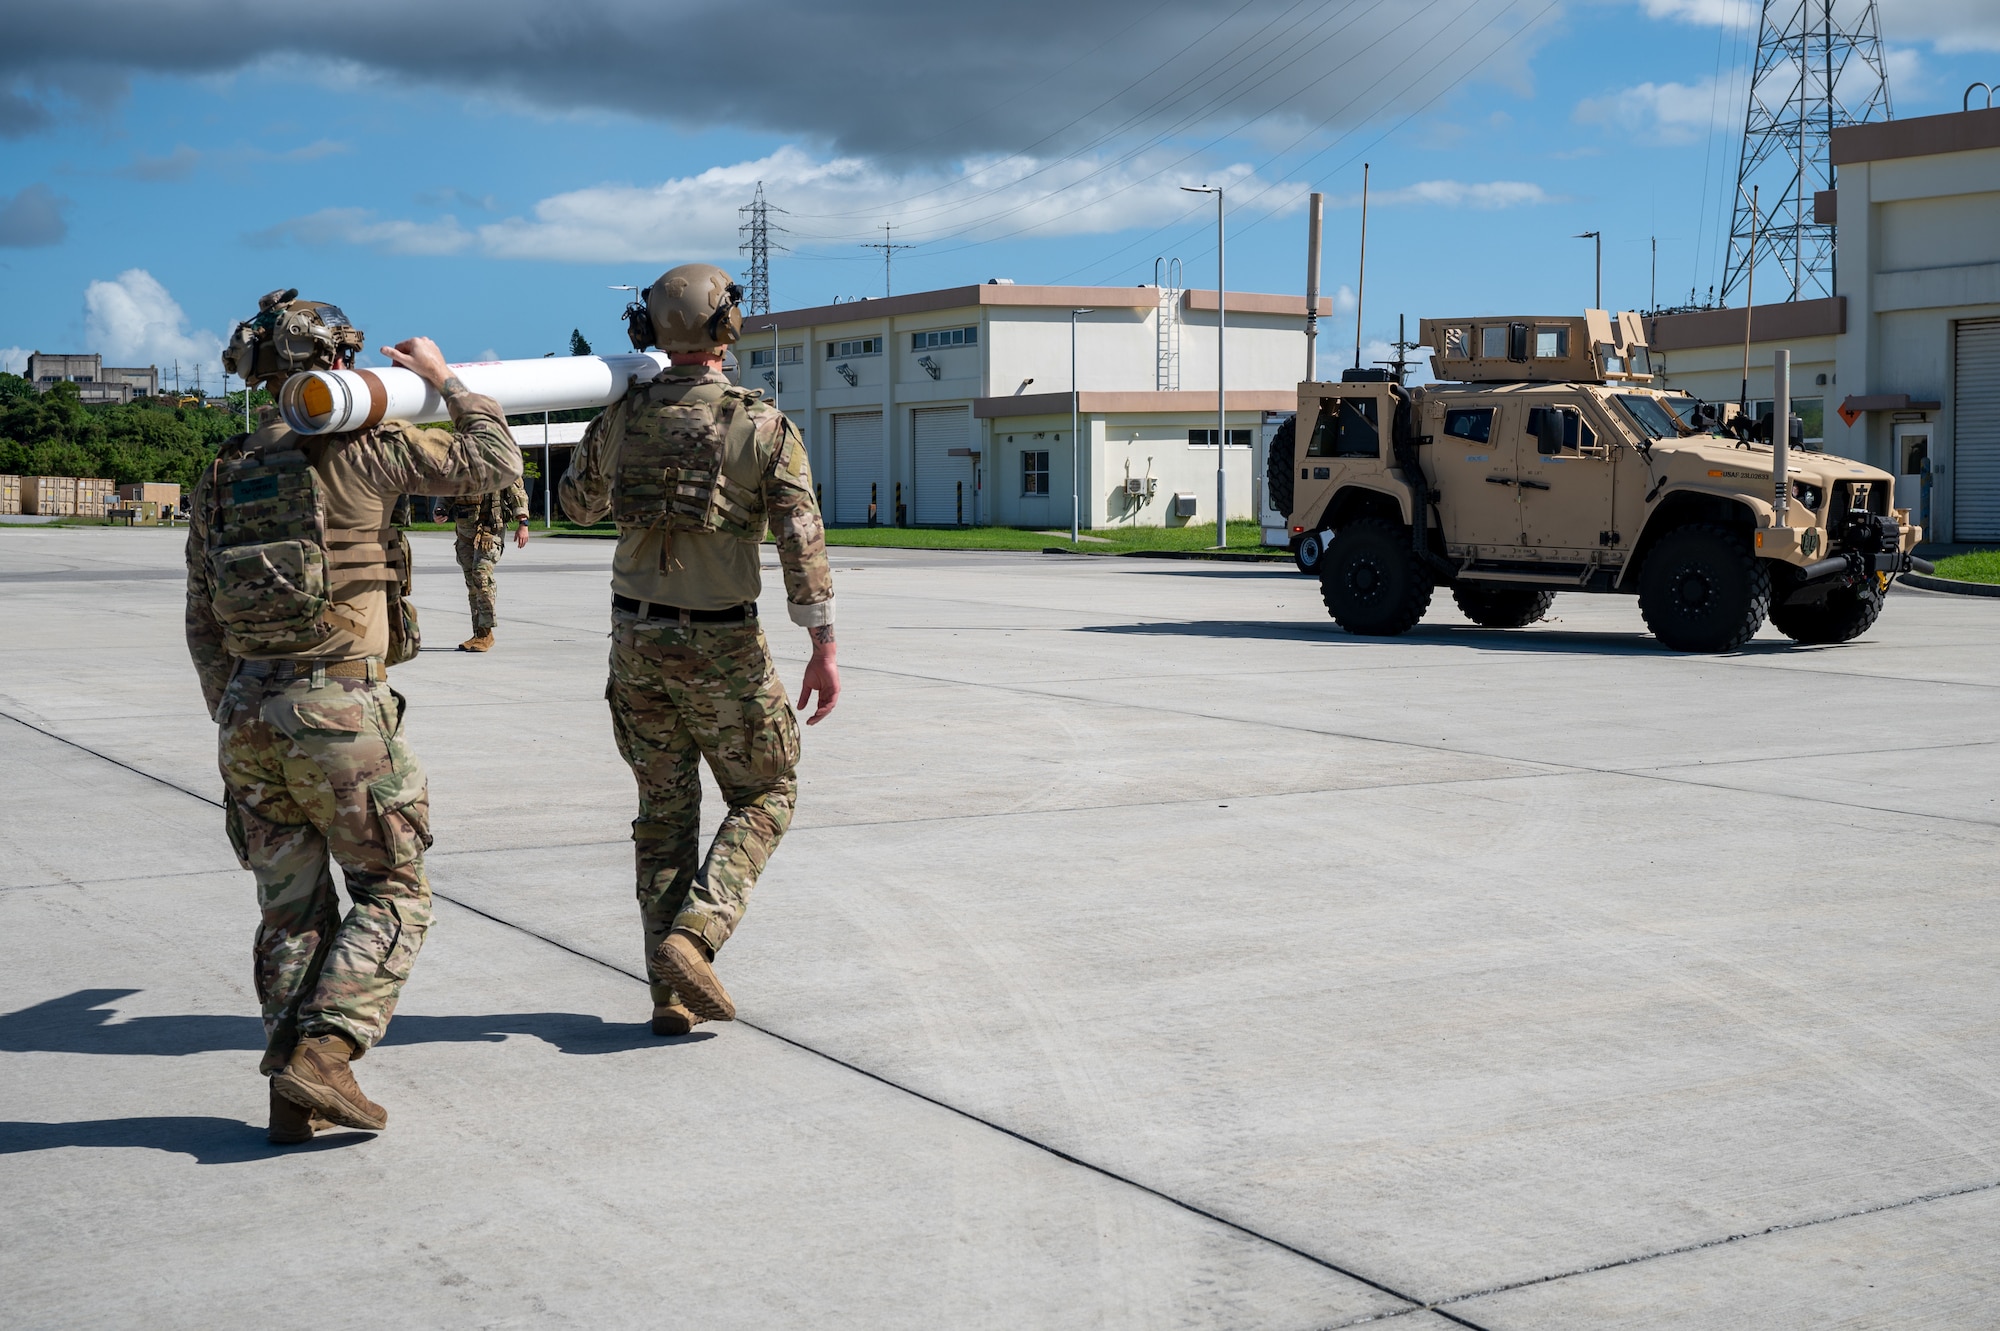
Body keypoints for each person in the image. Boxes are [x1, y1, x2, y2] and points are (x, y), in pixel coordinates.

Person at [194, 288, 522, 1143]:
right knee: (395, 892)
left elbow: (200, 619)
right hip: (340, 705)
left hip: (244, 712)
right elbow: (493, 464)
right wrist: (449, 380)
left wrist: (235, 721)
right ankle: (328, 1053)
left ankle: (287, 1096)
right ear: (338, 362)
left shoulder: (224, 469)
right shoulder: (369, 446)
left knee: (290, 911)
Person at [560, 263, 837, 1037]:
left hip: (635, 638)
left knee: (664, 813)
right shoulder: (763, 425)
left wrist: (616, 427)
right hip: (722, 642)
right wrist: (822, 646)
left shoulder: (622, 417)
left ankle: (669, 991)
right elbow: (801, 545)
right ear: (726, 330)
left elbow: (577, 506)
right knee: (768, 790)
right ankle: (697, 935)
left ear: (649, 332)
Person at [448, 483, 530, 652]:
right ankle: (479, 632)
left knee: (481, 575)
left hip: (490, 531)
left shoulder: (499, 462)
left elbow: (518, 492)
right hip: (465, 533)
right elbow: (446, 490)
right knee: (472, 583)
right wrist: (440, 509)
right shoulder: (459, 464)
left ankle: (486, 634)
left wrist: (523, 523)